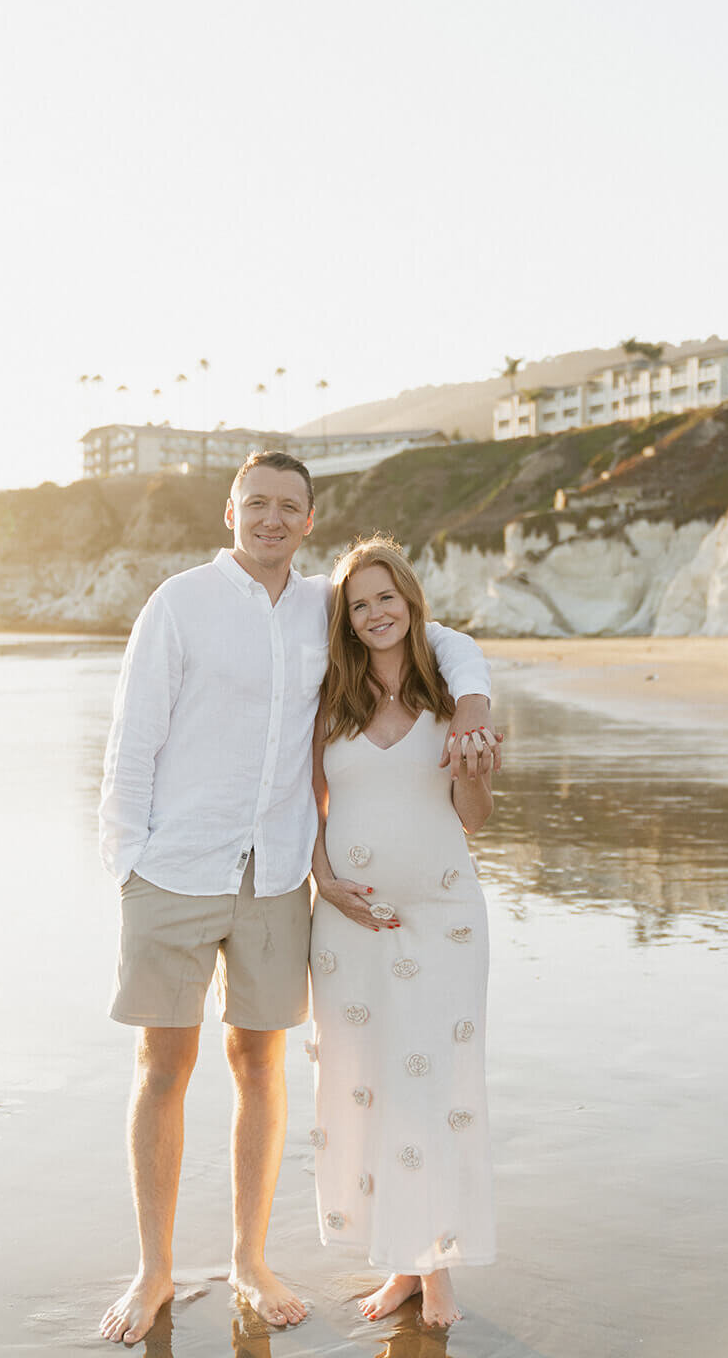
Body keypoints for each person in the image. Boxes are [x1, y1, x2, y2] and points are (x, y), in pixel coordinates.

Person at [98, 453, 498, 1347]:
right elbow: (131, 739)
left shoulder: (327, 603)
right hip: (176, 866)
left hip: (276, 873)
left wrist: (472, 701)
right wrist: (125, 865)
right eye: (257, 504)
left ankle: (249, 1257)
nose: (271, 519)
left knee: (259, 1065)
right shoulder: (180, 603)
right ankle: (153, 1268)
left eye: (289, 507)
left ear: (309, 521)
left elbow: (435, 635)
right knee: (162, 1068)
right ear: (230, 510)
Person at [309, 535, 496, 1332]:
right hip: (349, 926)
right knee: (369, 1090)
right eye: (359, 605)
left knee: (438, 1091)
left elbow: (472, 820)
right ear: (346, 622)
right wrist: (323, 879)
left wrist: (477, 771)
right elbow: (305, 807)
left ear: (411, 603)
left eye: (386, 598)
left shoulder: (451, 696)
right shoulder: (330, 700)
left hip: (444, 917)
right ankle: (399, 1265)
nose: (375, 613)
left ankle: (438, 1267)